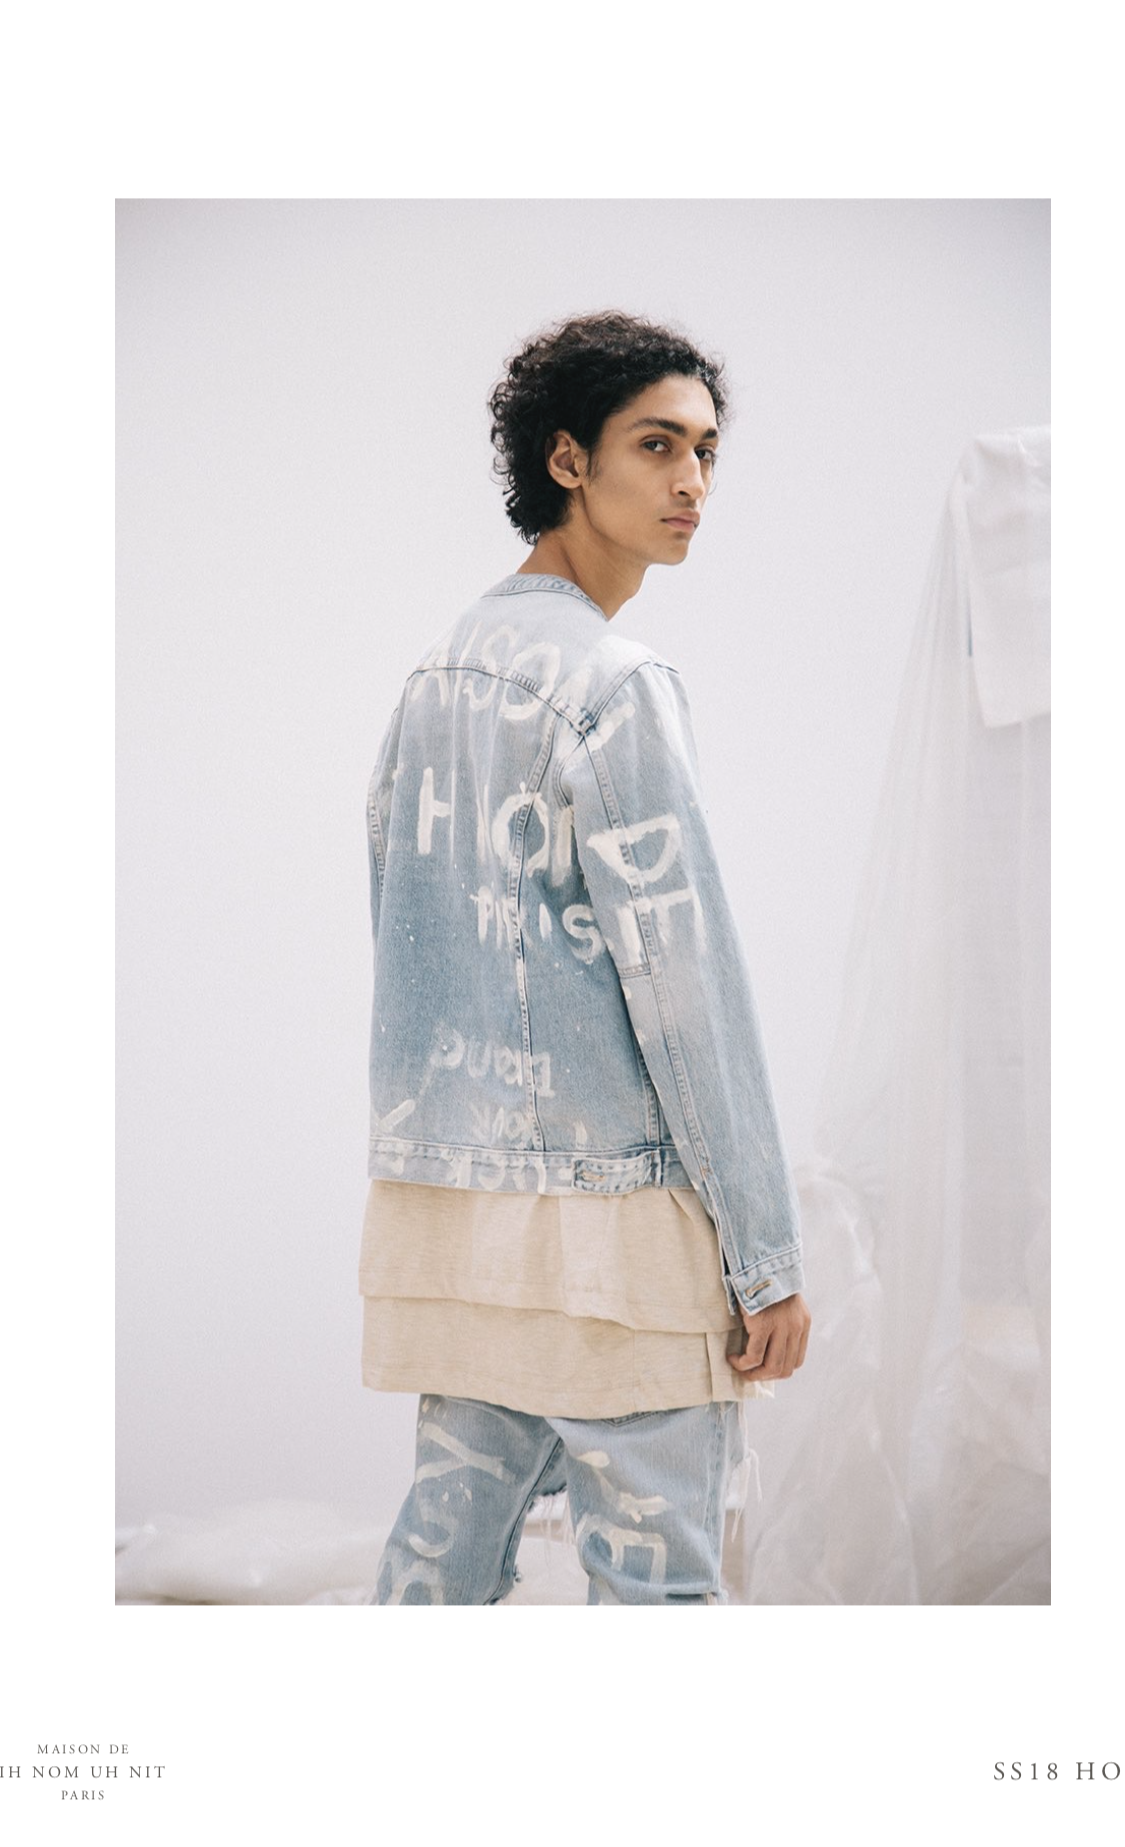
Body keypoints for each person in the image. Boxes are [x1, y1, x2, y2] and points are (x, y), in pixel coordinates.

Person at [361, 311, 809, 1605]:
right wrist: (765, 1259)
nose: (691, 482)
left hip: (451, 1215)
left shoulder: (436, 676)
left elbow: (402, 935)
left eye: (706, 451)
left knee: (439, 1574)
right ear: (567, 459)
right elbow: (687, 988)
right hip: (612, 1235)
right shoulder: (615, 683)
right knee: (657, 1591)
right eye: (655, 445)